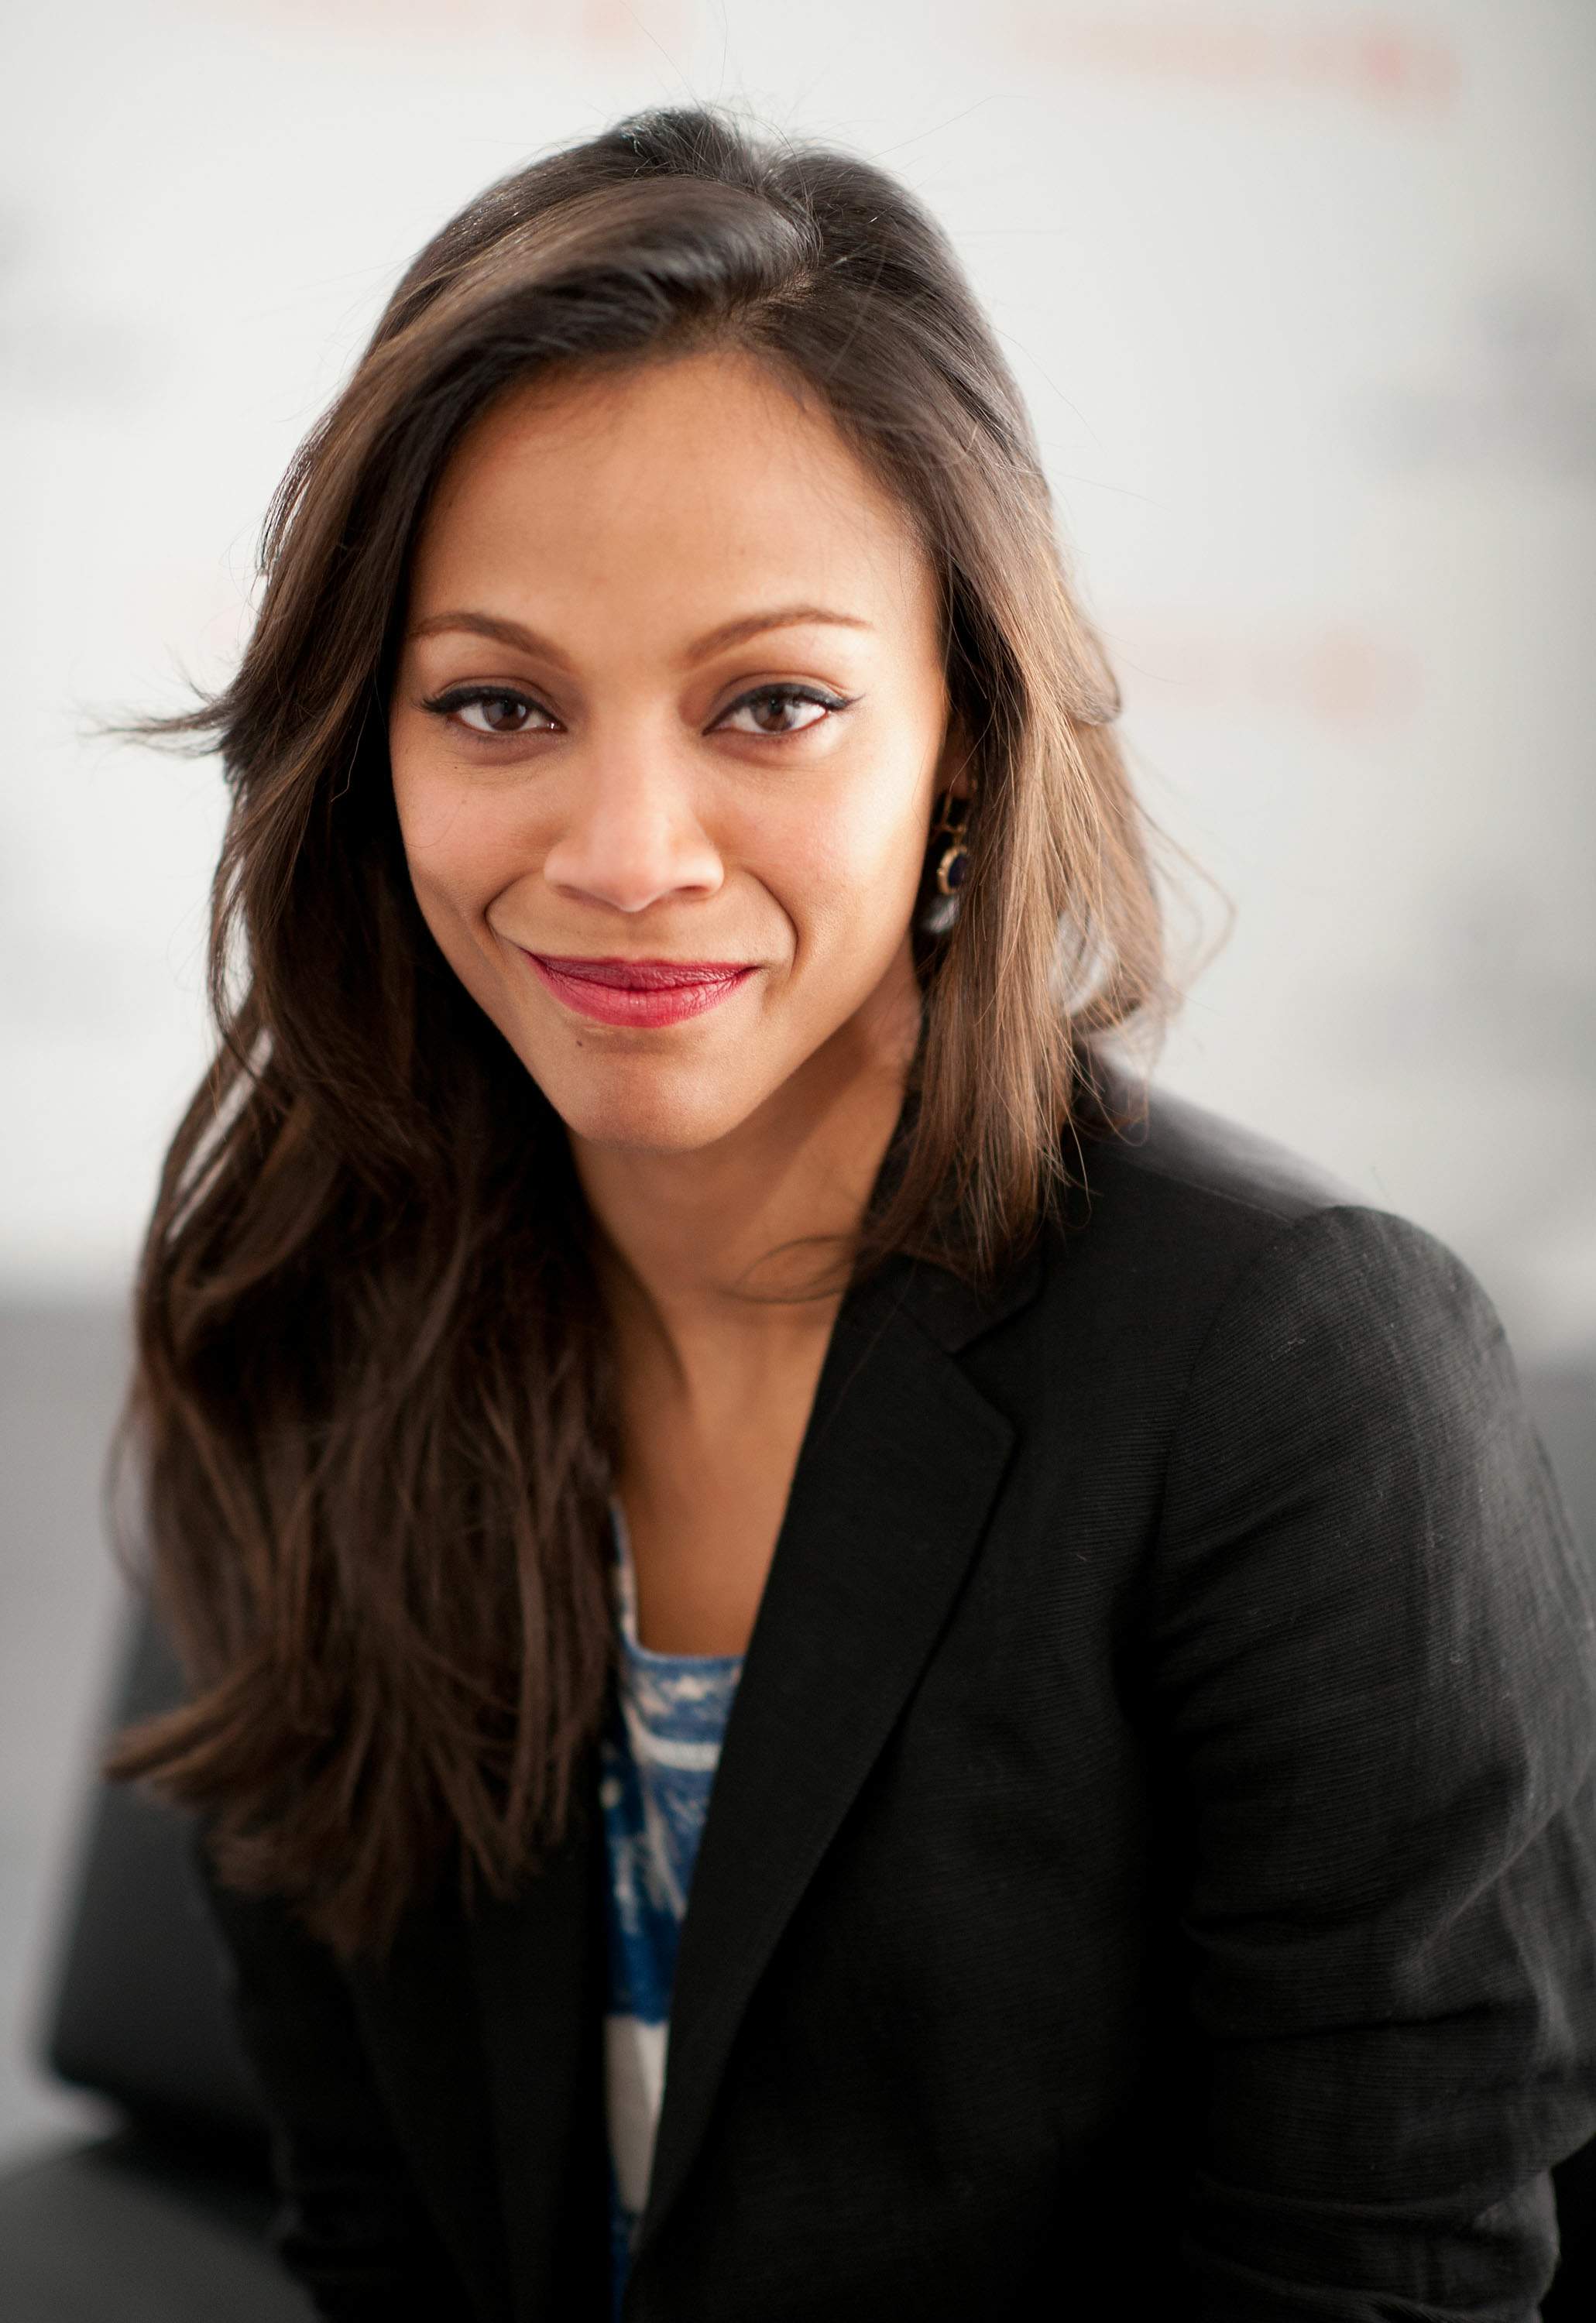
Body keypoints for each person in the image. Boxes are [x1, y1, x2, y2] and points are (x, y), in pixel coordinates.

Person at [101, 101, 1596, 2322]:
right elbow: (377, 2230)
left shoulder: (1300, 1376)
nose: (626, 850)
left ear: (967, 731)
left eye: (772, 705)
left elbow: (1375, 2276)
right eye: (497, 703)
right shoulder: (302, 1313)